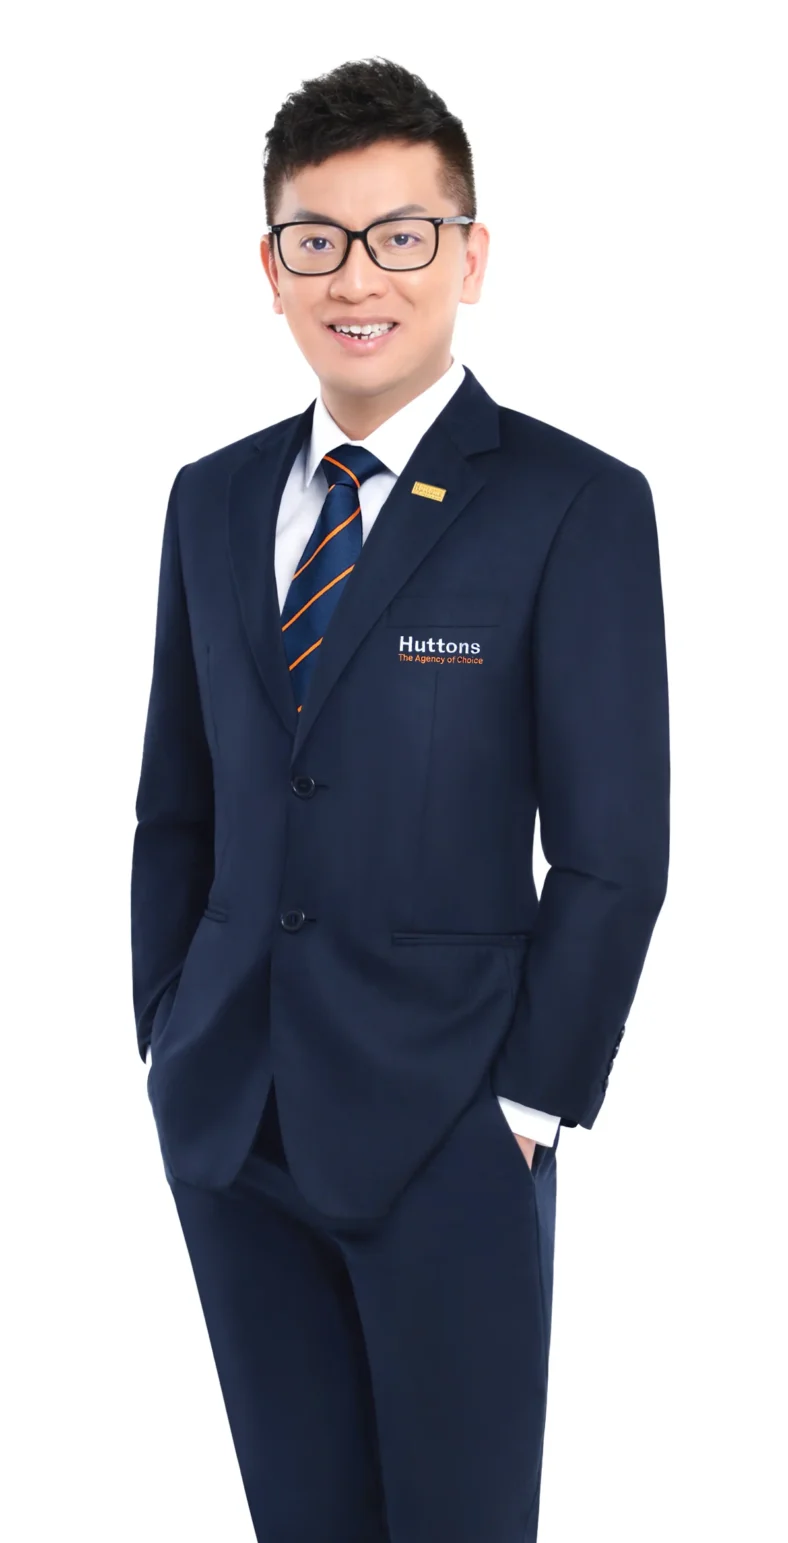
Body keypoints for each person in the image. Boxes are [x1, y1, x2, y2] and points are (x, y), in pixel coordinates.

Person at [130, 55, 670, 1543]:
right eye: (318, 239)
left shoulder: (573, 503)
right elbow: (176, 803)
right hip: (235, 1118)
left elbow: (616, 849)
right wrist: (169, 1030)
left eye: (402, 235)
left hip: (451, 1125)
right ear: (272, 268)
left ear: (470, 255)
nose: (358, 277)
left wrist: (527, 1106)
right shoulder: (212, 498)